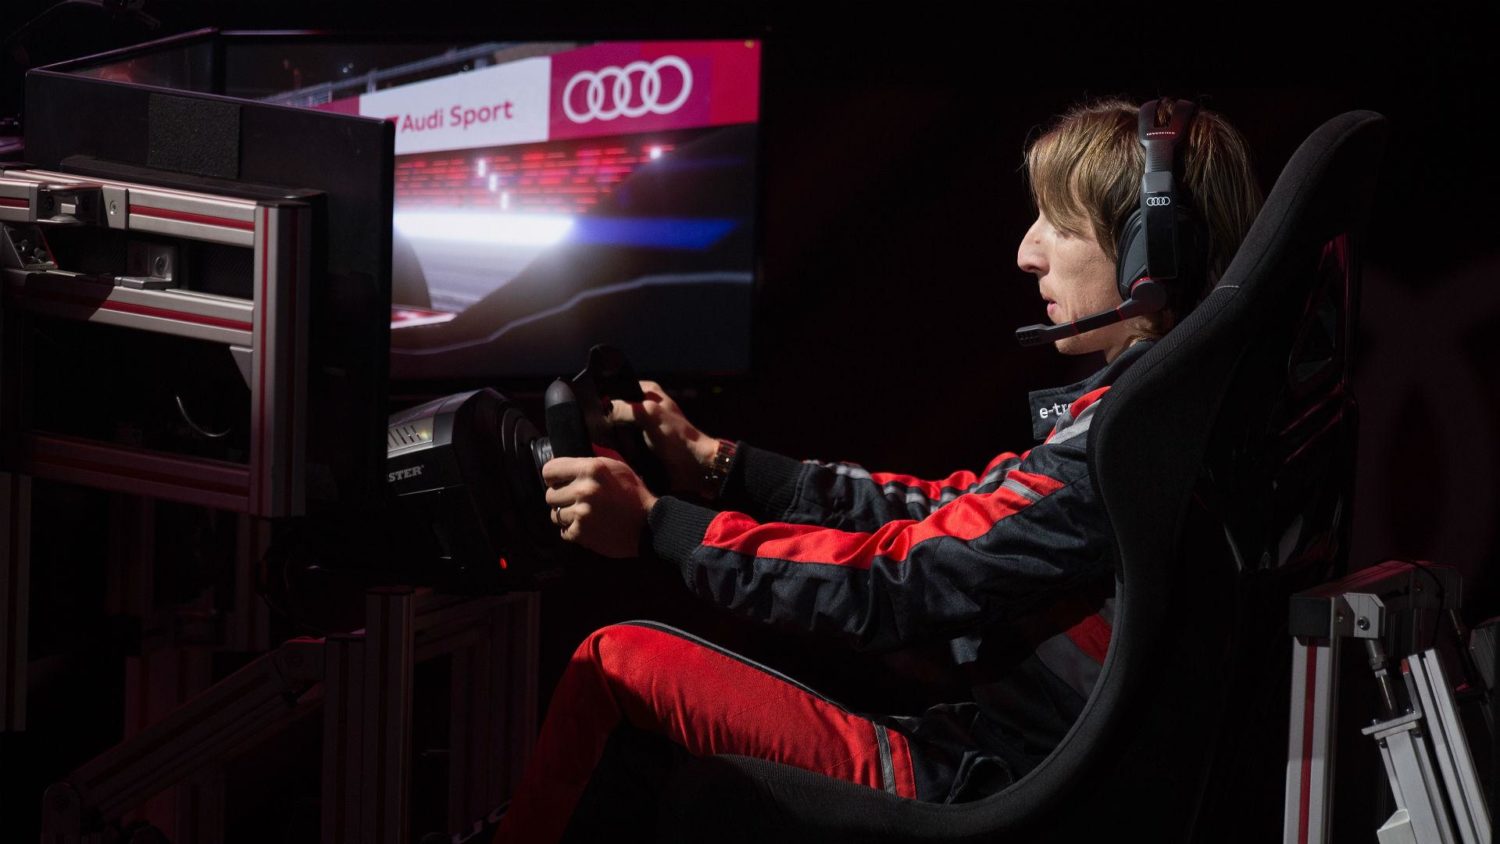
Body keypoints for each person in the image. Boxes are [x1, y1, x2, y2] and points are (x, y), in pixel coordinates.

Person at [494, 97, 1262, 842]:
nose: (1027, 252)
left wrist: (657, 527)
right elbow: (948, 513)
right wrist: (718, 465)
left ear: (1151, 257)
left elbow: (895, 581)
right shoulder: (1162, 414)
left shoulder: (1122, 445)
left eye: (1060, 226)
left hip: (993, 790)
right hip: (1018, 764)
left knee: (618, 664)